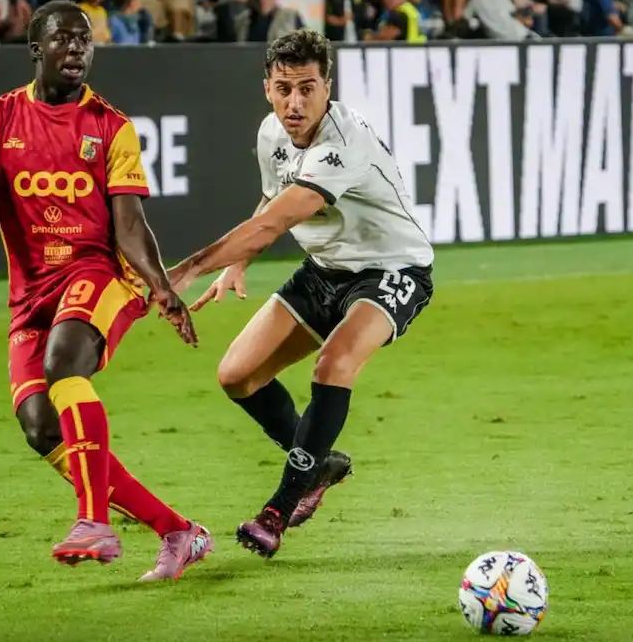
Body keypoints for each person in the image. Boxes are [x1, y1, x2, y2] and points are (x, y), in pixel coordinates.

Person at [0, 1, 213, 581]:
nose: (77, 48)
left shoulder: (111, 126)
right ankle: (178, 531)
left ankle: (94, 522)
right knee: (41, 426)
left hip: (100, 274)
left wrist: (162, 289)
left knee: (64, 367)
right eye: (63, 38)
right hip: (31, 293)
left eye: (85, 40)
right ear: (36, 48)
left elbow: (130, 224)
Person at [167, 29, 435, 558]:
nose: (295, 102)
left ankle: (278, 511)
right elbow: (271, 203)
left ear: (327, 87)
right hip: (323, 270)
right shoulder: (271, 132)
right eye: (284, 88)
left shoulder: (342, 143)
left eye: (307, 88)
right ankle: (318, 466)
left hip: (392, 269)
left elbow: (276, 222)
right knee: (237, 375)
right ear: (267, 87)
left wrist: (191, 268)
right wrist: (237, 263)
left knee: (334, 363)